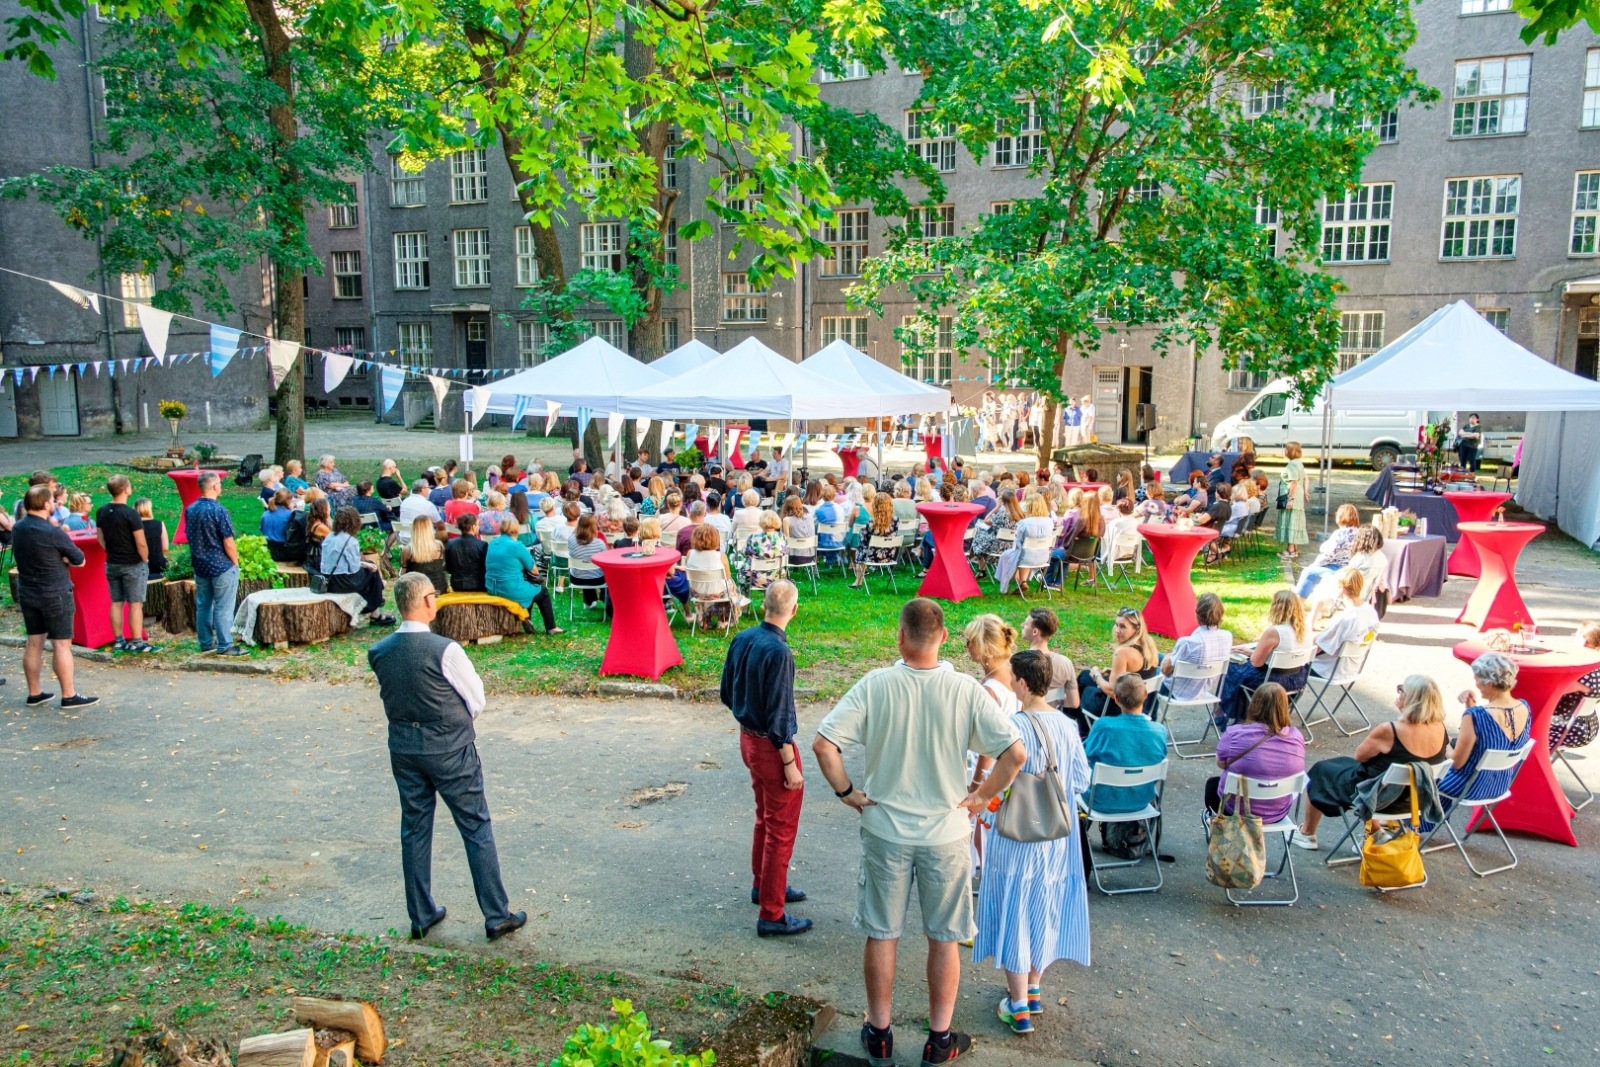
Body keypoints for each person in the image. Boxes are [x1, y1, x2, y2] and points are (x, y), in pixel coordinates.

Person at [813, 599, 1026, 1067]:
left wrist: (847, 791)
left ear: (900, 637)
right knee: (944, 938)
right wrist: (981, 796)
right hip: (946, 832)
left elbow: (824, 745)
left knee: (882, 934)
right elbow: (1015, 754)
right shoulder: (966, 690)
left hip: (886, 829)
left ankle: (881, 1035)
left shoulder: (876, 685)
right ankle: (939, 1040)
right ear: (945, 638)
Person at [367, 572, 526, 943]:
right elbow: (476, 699)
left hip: (405, 748)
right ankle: (496, 914)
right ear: (426, 601)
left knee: (415, 827)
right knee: (475, 825)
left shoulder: (379, 651)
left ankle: (421, 913)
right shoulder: (445, 649)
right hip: (450, 748)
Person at [975, 647, 1092, 1035]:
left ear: (1022, 683)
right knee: (1044, 904)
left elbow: (998, 785)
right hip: (1057, 836)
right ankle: (1035, 987)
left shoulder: (1012, 726)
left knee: (1015, 907)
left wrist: (985, 810)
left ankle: (1017, 1003)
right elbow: (1082, 780)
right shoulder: (1066, 725)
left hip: (1017, 835)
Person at [719, 580, 809, 936]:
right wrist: (789, 763)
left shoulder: (742, 639)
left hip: (748, 740)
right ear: (794, 610)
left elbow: (727, 692)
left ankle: (765, 885)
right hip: (773, 749)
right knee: (781, 828)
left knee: (766, 818)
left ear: (764, 605)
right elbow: (781, 715)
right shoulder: (779, 653)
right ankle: (772, 914)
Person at [1295, 674, 1448, 850]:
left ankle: (1307, 833)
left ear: (1411, 699)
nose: (1398, 694)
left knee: (1321, 770)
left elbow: (1360, 756)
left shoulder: (1390, 730)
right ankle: (1374, 832)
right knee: (1363, 772)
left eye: (1401, 690)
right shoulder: (1441, 728)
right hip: (1414, 799)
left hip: (1378, 798)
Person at [1424, 652, 1532, 833]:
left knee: (1424, 772)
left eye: (1477, 680)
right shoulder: (1523, 706)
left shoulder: (1475, 716)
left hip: (1469, 786)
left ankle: (1417, 824)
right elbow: (1491, 740)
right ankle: (1427, 822)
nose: (1476, 684)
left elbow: (1457, 763)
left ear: (1489, 682)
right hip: (1499, 784)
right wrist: (1470, 707)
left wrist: (1441, 743)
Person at [13, 485, 97, 708]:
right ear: (45, 504)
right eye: (52, 501)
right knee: (61, 645)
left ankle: (34, 692)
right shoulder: (52, 531)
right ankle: (69, 695)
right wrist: (64, 559)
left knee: (34, 643)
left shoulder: (18, 528)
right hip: (55, 593)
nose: (56, 504)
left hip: (28, 591)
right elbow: (79, 559)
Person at [1083, 674, 1167, 854]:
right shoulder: (1159, 731)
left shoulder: (1104, 726)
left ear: (1116, 698)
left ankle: (1077, 839)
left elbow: (1085, 755)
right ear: (1145, 694)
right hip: (1141, 801)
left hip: (1100, 800)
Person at [1203, 683, 1306, 824]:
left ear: (1254, 704)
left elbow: (1221, 763)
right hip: (1277, 812)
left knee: (1212, 785)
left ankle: (1221, 822)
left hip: (1235, 810)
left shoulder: (1234, 733)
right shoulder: (1296, 736)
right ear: (1285, 707)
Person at [1218, 589, 1312, 725]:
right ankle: (1245, 712)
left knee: (1233, 669)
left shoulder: (1275, 632)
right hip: (1297, 679)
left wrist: (1253, 654)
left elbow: (1256, 662)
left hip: (1272, 681)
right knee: (1243, 672)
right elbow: (1284, 653)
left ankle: (1225, 714)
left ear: (1276, 607)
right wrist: (1251, 652)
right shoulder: (1306, 628)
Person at [185, 472, 247, 656]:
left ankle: (205, 642)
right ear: (214, 486)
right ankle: (225, 645)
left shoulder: (191, 509)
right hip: (221, 565)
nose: (221, 486)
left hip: (200, 564)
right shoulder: (219, 510)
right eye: (219, 483)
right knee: (223, 606)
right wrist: (235, 563)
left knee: (203, 604)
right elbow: (228, 541)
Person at [96, 474, 158, 653]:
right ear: (126, 489)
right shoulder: (131, 514)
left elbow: (99, 537)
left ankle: (118, 641)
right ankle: (137, 642)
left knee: (116, 602)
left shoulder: (102, 511)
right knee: (135, 603)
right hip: (132, 563)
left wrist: (109, 549)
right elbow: (140, 542)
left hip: (112, 562)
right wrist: (144, 558)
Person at [1074, 607, 1161, 730]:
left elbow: (1112, 691)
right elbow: (1142, 670)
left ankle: (1081, 732)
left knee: (1085, 689)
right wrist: (1116, 670)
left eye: (1123, 627)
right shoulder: (1149, 643)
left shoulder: (1123, 652)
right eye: (1116, 625)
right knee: (1084, 675)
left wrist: (1096, 675)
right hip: (1140, 702)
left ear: (1136, 629)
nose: (1117, 631)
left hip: (1119, 706)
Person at [485, 516, 562, 634]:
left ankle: (527, 618)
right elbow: (534, 570)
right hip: (509, 588)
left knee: (528, 587)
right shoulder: (517, 546)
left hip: (492, 587)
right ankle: (551, 627)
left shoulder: (493, 542)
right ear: (517, 529)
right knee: (542, 592)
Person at [319, 507, 395, 623]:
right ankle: (376, 613)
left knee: (369, 567)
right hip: (343, 582)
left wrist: (365, 564)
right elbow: (354, 568)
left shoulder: (330, 537)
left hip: (329, 580)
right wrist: (367, 565)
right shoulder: (350, 540)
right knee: (372, 572)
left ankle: (378, 595)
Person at [1159, 592, 1232, 703]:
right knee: (1155, 656)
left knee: (1148, 669)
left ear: (1197, 613)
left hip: (1174, 692)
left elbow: (1165, 670)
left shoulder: (1188, 642)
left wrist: (1168, 657)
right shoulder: (1227, 636)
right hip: (1201, 690)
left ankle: (1149, 715)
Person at [1310, 569, 1379, 676]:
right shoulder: (1371, 611)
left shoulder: (1344, 618)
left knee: (1283, 666)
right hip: (1352, 669)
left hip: (1326, 670)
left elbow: (1317, 648)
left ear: (1343, 589)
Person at [1550, 621, 1600, 752]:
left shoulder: (1587, 674)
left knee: (1518, 726)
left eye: (1576, 636)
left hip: (1568, 728)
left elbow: (1555, 691)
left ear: (1585, 643)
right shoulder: (1594, 666)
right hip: (1586, 725)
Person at [1295, 503, 1362, 598]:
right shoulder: (1359, 533)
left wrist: (1315, 564)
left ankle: (1298, 602)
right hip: (1351, 568)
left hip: (1336, 568)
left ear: (1341, 517)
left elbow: (1329, 554)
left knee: (1308, 572)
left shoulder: (1340, 534)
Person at [1021, 607, 1079, 713]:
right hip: (1053, 721)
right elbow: (1074, 702)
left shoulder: (1017, 662)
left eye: (1025, 624)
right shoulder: (1065, 663)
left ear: (1035, 632)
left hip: (1025, 721)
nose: (1022, 626)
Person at [850, 492, 898, 589]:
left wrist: (863, 529)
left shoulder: (872, 523)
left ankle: (858, 582)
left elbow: (863, 539)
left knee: (860, 547)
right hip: (889, 555)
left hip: (871, 556)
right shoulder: (896, 520)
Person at [566, 513, 609, 613]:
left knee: (585, 568)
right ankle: (603, 597)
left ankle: (589, 601)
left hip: (577, 578)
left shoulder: (571, 539)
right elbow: (605, 561)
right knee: (598, 570)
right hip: (597, 579)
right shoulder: (599, 543)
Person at [736, 511, 788, 590]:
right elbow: (785, 553)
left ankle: (745, 598)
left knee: (743, 569)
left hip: (755, 579)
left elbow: (744, 553)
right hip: (778, 578)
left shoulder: (753, 537)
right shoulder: (782, 538)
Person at [1276, 441, 1310, 560]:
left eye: (1286, 449)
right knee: (1295, 521)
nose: (1284, 451)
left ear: (1290, 451)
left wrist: (1290, 499)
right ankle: (1294, 549)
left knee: (1290, 520)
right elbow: (1306, 478)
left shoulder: (1291, 465)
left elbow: (1294, 482)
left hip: (1292, 496)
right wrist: (1305, 492)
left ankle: (1290, 550)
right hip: (1298, 496)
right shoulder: (1299, 463)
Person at [402, 516, 449, 594]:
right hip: (439, 587)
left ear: (414, 529)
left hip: (416, 590)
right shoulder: (439, 546)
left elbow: (404, 572)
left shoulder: (407, 550)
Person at [445, 513, 489, 592]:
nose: (479, 527)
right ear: (473, 527)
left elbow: (449, 568)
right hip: (478, 585)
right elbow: (486, 567)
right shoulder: (482, 545)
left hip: (457, 584)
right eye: (478, 524)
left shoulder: (450, 543)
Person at [134, 497, 169, 585]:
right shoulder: (159, 524)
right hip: (158, 565)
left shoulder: (132, 527)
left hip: (139, 566)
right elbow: (165, 548)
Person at [260, 488, 297, 557]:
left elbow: (262, 529)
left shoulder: (265, 514)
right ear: (288, 500)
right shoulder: (290, 515)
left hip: (267, 550)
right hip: (285, 552)